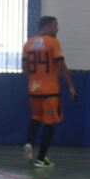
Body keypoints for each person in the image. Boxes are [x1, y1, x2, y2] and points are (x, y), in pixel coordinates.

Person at [23, 15, 76, 167]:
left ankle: (29, 142)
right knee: (49, 123)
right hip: (50, 90)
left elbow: (24, 67)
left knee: (35, 117)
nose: (57, 29)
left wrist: (34, 79)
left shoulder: (29, 43)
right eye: (55, 25)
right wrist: (70, 85)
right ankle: (41, 159)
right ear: (46, 26)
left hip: (34, 88)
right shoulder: (53, 42)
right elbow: (60, 65)